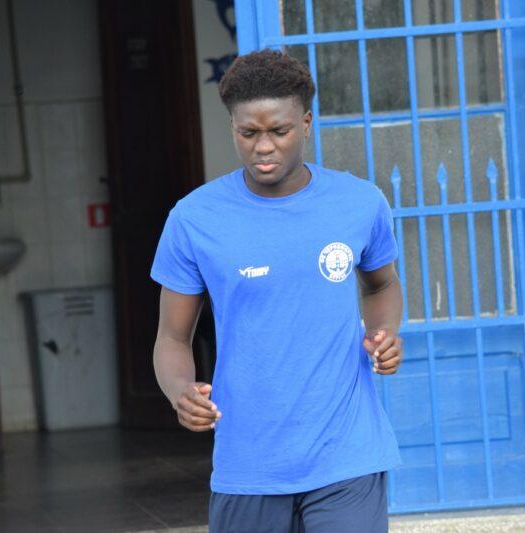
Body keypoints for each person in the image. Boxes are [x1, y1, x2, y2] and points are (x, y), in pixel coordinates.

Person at [150, 49, 404, 533]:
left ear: (306, 123)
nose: (263, 147)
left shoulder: (359, 203)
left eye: (279, 131)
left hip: (347, 454)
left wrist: (384, 333)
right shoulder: (194, 219)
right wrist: (181, 391)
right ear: (232, 128)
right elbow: (172, 338)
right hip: (249, 462)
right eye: (248, 133)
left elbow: (382, 284)